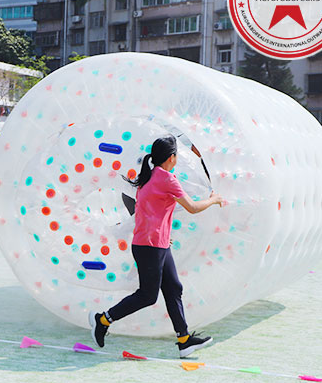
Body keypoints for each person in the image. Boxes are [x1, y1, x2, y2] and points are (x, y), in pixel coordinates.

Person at [88, 135, 225, 357]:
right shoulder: (167, 179)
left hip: (155, 243)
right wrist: (213, 199)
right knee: (147, 296)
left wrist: (161, 234)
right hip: (150, 245)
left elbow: (148, 211)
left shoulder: (151, 176)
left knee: (173, 288)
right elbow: (192, 208)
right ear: (172, 158)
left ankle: (184, 340)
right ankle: (102, 320)